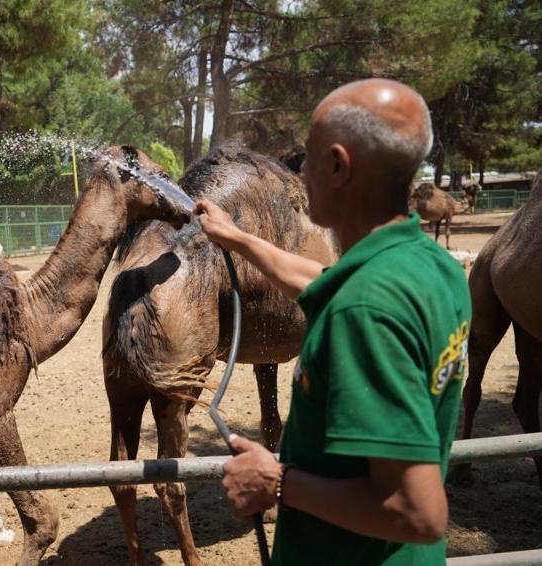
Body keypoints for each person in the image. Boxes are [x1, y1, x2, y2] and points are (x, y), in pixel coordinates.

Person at [194, 78, 471, 565]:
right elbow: (323, 278)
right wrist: (235, 238)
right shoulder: (432, 267)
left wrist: (276, 483)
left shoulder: (365, 310)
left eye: (307, 158)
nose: (300, 175)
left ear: (339, 165)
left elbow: (418, 512)